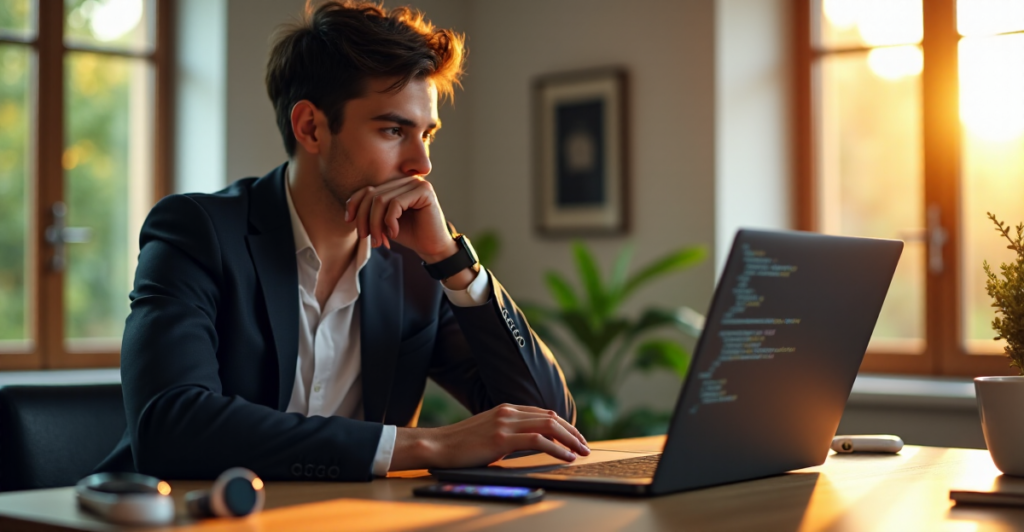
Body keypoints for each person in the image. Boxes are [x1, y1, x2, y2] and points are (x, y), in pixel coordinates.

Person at [94, 1, 588, 481]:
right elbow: (171, 425)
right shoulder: (198, 232)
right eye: (394, 129)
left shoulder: (418, 264)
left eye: (427, 134)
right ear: (311, 127)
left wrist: (452, 261)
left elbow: (548, 421)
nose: (422, 164)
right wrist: (428, 444)